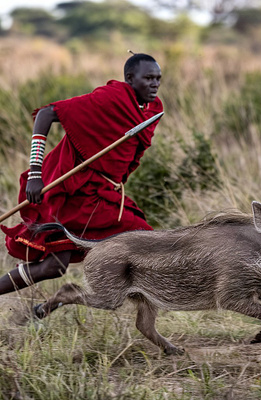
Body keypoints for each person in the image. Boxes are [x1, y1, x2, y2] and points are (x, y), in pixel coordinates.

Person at [0, 53, 163, 295]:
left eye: (158, 78)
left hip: (101, 194)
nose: (155, 84)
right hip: (70, 191)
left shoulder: (151, 110)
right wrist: (35, 174)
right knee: (142, 239)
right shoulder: (110, 98)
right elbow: (46, 114)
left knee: (53, 267)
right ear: (130, 78)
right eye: (148, 78)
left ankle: (132, 297)